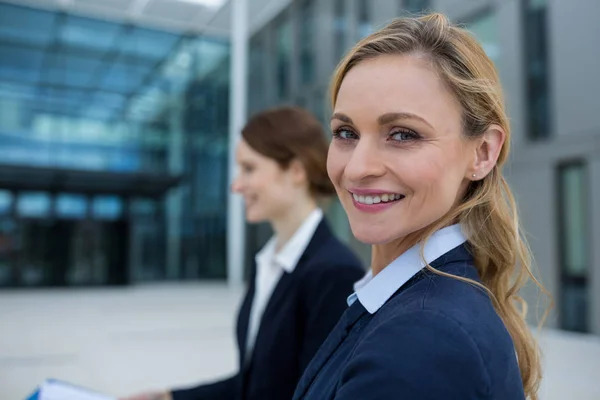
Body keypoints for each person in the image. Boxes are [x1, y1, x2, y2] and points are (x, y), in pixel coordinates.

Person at [292, 13, 548, 400]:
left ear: (482, 152)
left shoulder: (423, 340)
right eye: (346, 133)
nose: (358, 168)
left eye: (403, 134)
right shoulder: (418, 306)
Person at [122, 106, 364, 400]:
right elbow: (258, 382)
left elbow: (314, 393)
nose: (237, 185)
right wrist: (169, 397)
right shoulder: (268, 263)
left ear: (296, 171)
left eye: (249, 169)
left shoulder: (334, 273)